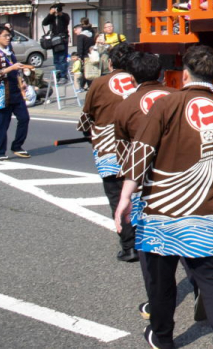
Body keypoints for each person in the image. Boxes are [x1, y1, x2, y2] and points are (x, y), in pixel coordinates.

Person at [115, 44, 213, 349]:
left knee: (161, 280)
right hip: (207, 208)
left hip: (162, 208)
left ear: (185, 74)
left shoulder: (166, 104)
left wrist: (125, 197)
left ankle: (163, 338)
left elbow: (142, 151)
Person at [78, 42, 139, 261]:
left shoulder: (99, 83)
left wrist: (88, 132)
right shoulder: (141, 82)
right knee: (142, 195)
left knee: (117, 195)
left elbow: (87, 117)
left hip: (109, 148)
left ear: (110, 62)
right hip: (140, 148)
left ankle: (129, 247)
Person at [0, 24, 34, 161]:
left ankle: (17, 146)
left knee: (24, 118)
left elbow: (16, 71)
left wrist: (22, 81)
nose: (8, 38)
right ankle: (0, 152)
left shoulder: (9, 52)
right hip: (1, 94)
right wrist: (10, 69)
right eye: (5, 35)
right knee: (3, 124)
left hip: (15, 92)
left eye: (9, 35)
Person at [42, 3, 72, 85]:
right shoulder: (51, 17)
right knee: (56, 59)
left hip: (62, 39)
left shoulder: (65, 16)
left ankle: (63, 76)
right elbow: (44, 23)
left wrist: (60, 14)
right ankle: (58, 75)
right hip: (54, 40)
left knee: (62, 58)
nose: (56, 11)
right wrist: (50, 14)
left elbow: (66, 21)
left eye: (58, 9)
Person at [75, 19, 95, 90]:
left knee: (84, 71)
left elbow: (80, 48)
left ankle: (83, 86)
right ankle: (87, 85)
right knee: (90, 70)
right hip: (92, 54)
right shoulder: (92, 33)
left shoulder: (81, 36)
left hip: (84, 55)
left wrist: (79, 56)